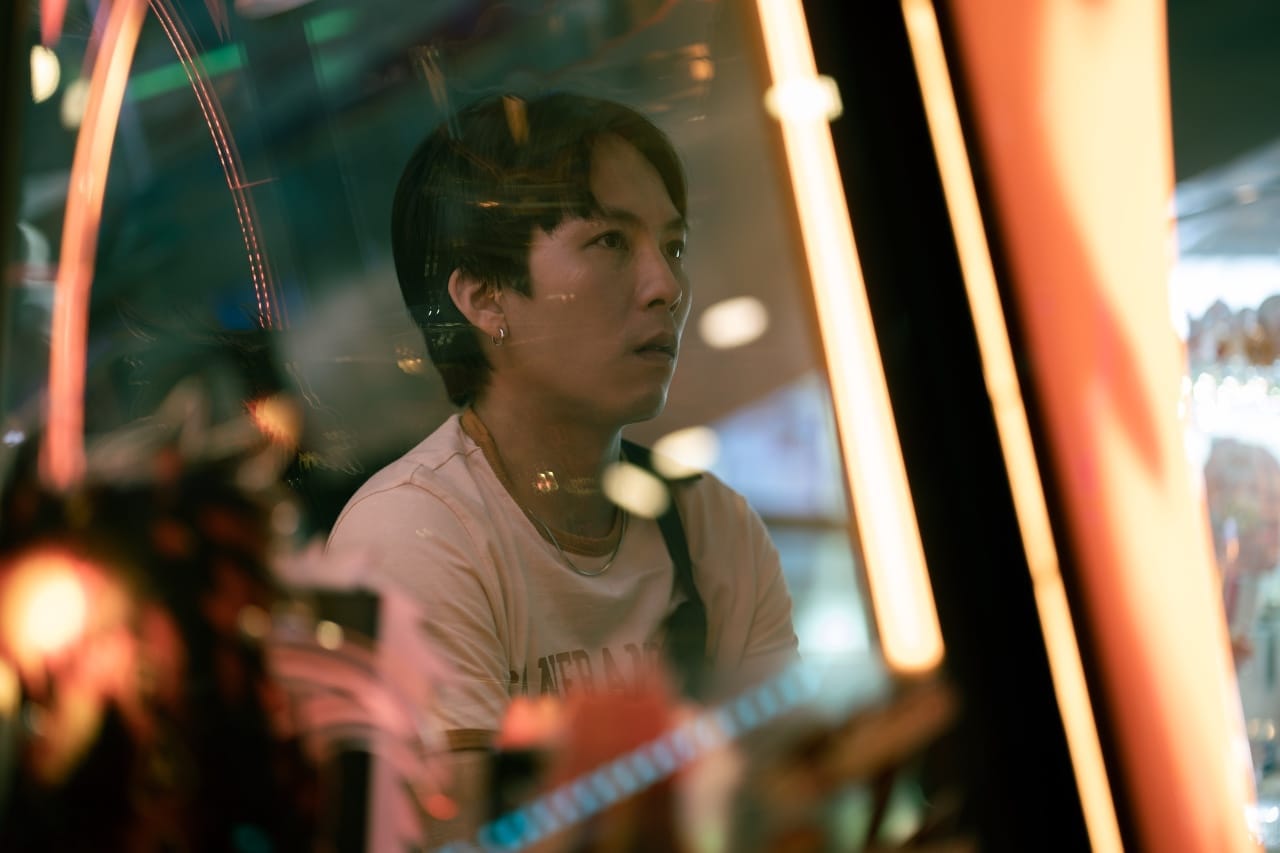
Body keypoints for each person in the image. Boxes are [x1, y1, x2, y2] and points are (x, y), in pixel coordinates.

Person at [325, 90, 798, 840]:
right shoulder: (413, 534)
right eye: (611, 241)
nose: (667, 287)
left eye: (673, 246)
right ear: (484, 298)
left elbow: (789, 799)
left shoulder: (713, 525)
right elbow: (456, 837)